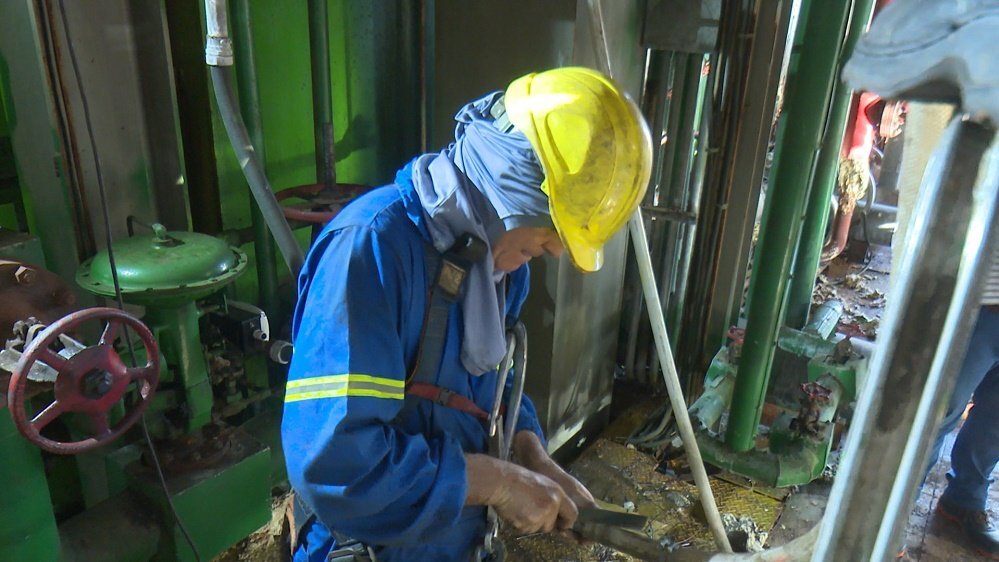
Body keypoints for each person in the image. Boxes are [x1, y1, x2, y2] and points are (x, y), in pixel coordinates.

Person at [281, 67, 652, 561]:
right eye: (553, 228)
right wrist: (498, 483)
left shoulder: (497, 267)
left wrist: (530, 453)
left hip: (454, 541)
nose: (557, 251)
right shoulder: (371, 252)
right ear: (513, 187)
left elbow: (491, 386)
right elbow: (337, 467)